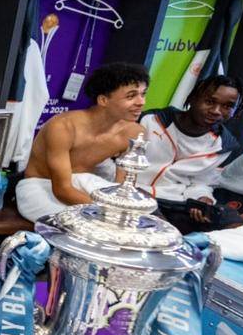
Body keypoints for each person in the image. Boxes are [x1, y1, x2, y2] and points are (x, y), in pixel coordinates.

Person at [17, 62, 149, 222]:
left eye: (143, 94)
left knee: (131, 218)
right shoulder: (63, 126)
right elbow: (62, 190)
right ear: (103, 100)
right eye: (131, 96)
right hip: (40, 185)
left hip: (83, 181)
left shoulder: (135, 133)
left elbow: (124, 189)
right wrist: (106, 212)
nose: (141, 102)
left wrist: (117, 212)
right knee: (78, 224)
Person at [137, 75, 243, 233]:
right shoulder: (150, 121)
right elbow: (114, 161)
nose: (216, 111)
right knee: (156, 220)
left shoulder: (223, 145)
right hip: (136, 194)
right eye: (209, 102)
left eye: (227, 106)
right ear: (193, 98)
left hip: (175, 202)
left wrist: (202, 198)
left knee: (229, 217)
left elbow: (202, 183)